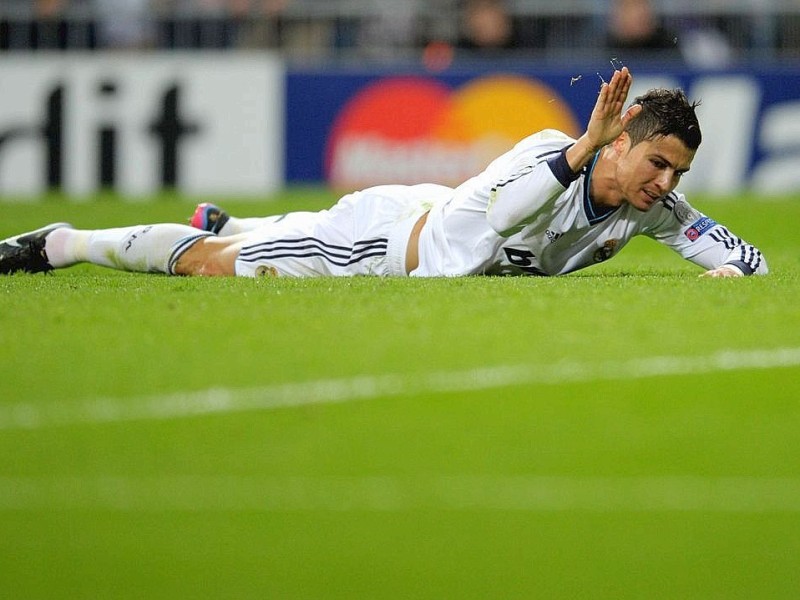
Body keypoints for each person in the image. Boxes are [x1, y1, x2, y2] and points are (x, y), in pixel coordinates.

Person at [0, 68, 766, 279]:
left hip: (423, 206)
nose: (666, 184)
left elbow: (746, 259)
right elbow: (501, 222)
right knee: (212, 268)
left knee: (263, 235)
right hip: (385, 246)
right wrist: (579, 148)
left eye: (678, 172)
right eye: (659, 163)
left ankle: (232, 220)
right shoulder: (545, 150)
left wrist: (730, 275)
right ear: (623, 140)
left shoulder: (649, 206)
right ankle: (61, 243)